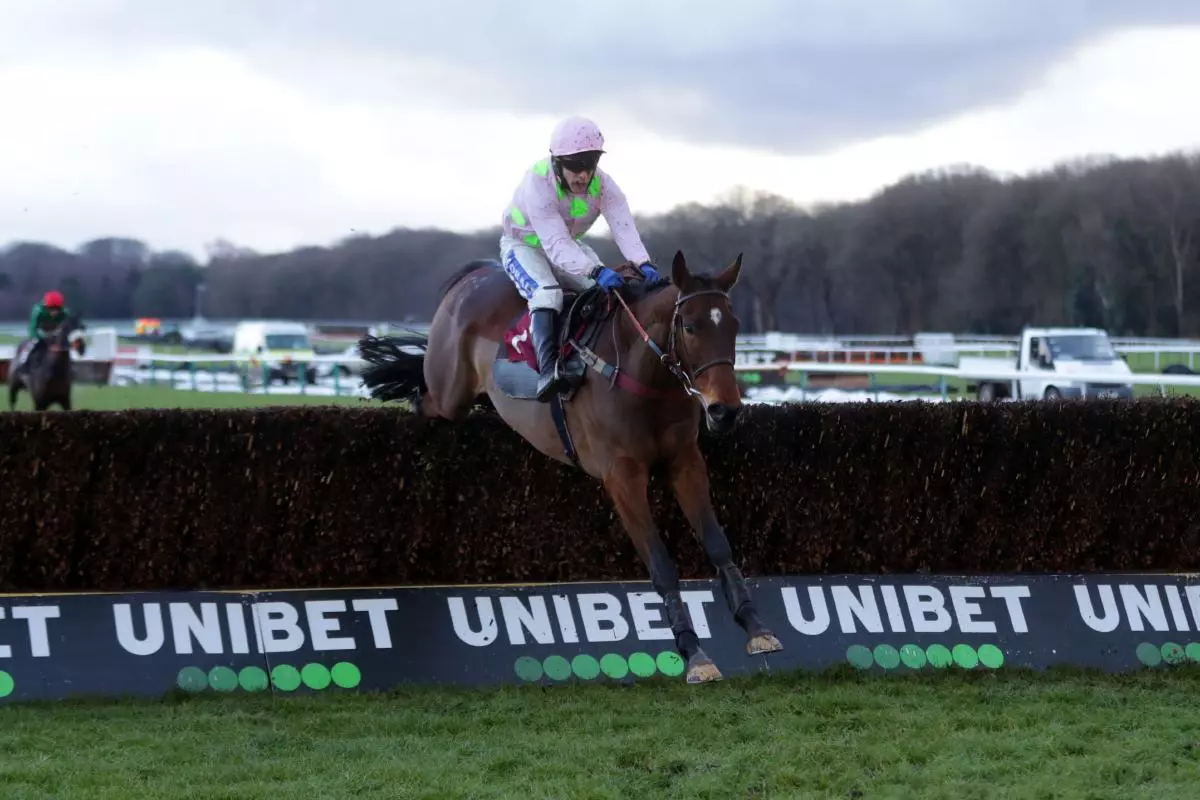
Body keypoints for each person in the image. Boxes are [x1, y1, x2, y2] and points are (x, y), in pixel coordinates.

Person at [500, 115, 661, 402]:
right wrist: (595, 269)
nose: (583, 176)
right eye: (574, 167)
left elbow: (624, 227)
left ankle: (589, 358)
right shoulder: (537, 181)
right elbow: (555, 243)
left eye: (589, 165)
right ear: (557, 161)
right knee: (548, 295)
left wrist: (643, 263)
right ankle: (548, 372)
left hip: (568, 246)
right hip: (523, 247)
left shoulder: (605, 185)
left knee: (603, 295)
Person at [16, 290, 72, 369]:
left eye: (57, 309)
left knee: (66, 347)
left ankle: (69, 367)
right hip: (40, 334)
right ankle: (22, 364)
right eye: (51, 309)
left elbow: (69, 328)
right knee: (31, 345)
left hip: (56, 336)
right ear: (46, 306)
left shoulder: (65, 313)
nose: (54, 312)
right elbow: (33, 328)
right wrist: (42, 337)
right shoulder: (38, 311)